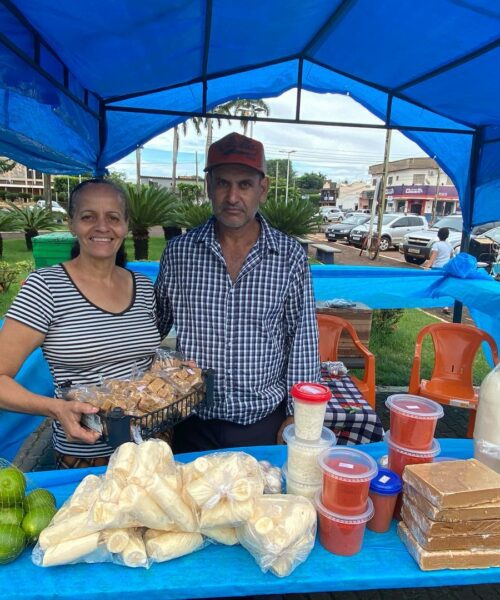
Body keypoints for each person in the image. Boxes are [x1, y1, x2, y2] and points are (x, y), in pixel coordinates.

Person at [155, 132, 320, 453]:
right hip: (192, 421)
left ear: (263, 188)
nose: (232, 196)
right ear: (208, 187)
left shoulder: (288, 257)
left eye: (244, 184)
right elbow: (153, 326)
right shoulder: (179, 254)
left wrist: (296, 415)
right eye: (222, 183)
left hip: (262, 423)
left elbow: (302, 341)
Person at [0, 179, 160, 468]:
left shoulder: (143, 286)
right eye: (88, 217)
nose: (102, 227)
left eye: (113, 217)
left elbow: (145, 362)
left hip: (153, 450)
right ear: (72, 223)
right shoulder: (46, 287)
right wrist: (55, 408)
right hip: (88, 456)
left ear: (125, 225)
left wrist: (175, 375)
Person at [427, 226, 454, 315]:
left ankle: (431, 301)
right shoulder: (449, 245)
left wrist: (428, 266)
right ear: (447, 236)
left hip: (436, 268)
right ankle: (445, 306)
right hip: (445, 269)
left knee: (434, 285)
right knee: (444, 286)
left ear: (438, 235)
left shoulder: (436, 245)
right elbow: (451, 257)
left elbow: (433, 256)